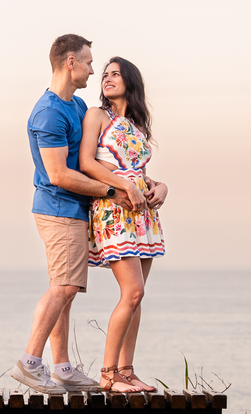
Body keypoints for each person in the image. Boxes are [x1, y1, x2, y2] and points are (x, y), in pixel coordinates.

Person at [9, 34, 139, 394]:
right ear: (70, 63)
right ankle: (29, 363)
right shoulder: (49, 112)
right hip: (58, 208)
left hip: (76, 210)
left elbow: (100, 157)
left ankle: (62, 367)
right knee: (64, 287)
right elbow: (59, 174)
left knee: (64, 289)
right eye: (88, 62)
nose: (93, 69)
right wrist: (113, 192)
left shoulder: (77, 106)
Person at [77, 57, 167, 392]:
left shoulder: (139, 125)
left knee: (136, 297)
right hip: (114, 208)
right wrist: (125, 186)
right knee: (133, 291)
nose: (107, 78)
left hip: (144, 213)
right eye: (104, 74)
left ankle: (127, 371)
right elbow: (87, 162)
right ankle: (108, 374)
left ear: (130, 80)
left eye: (115, 74)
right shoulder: (97, 115)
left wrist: (160, 187)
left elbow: (139, 172)